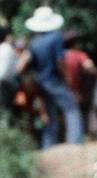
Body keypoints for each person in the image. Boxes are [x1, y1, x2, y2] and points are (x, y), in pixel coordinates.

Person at [25, 6, 83, 148]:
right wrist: (67, 77)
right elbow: (59, 61)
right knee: (71, 107)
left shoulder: (33, 42)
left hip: (40, 82)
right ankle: (75, 142)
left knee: (49, 114)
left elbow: (30, 64)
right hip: (53, 80)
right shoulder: (56, 37)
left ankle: (48, 146)